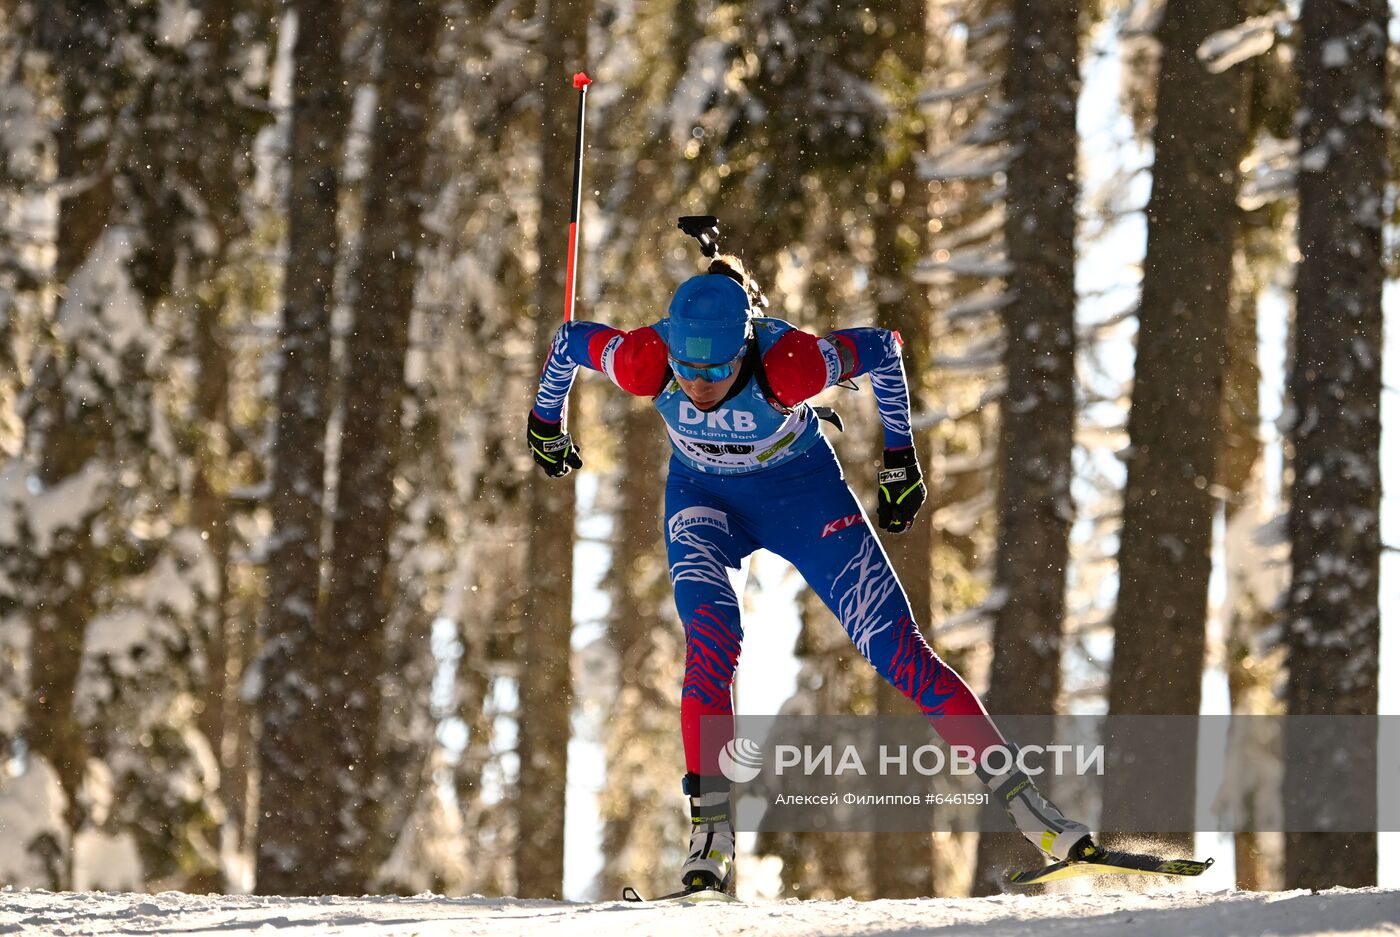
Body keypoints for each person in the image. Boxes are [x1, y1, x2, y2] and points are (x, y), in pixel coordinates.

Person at [528, 254, 1096, 892]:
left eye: (717, 369)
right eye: (688, 369)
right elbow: (568, 341)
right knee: (712, 645)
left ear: (745, 346)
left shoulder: (790, 364)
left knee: (900, 651)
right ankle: (710, 834)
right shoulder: (644, 360)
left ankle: (1031, 810)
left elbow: (884, 347)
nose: (700, 385)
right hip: (704, 500)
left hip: (803, 498)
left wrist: (901, 459)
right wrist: (545, 423)